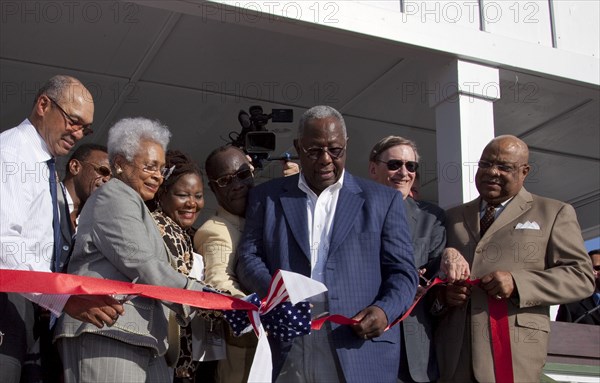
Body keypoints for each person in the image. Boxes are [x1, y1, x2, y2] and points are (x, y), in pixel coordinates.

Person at [236, 105, 418, 383]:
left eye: (335, 150)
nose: (325, 159)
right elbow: (248, 259)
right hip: (288, 341)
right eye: (313, 150)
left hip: (356, 345)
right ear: (298, 147)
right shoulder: (266, 197)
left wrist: (384, 310)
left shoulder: (383, 201)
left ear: (346, 146)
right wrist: (278, 294)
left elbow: (403, 273)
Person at [54, 117, 219, 382]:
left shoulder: (135, 204)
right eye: (150, 166)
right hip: (108, 333)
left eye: (162, 169)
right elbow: (143, 264)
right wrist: (208, 299)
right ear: (119, 164)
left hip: (143, 340)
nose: (157, 175)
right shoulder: (114, 196)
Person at [435, 135, 595, 382]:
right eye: (485, 164)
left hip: (514, 356)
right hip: (454, 358)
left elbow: (580, 276)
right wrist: (445, 297)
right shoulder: (451, 216)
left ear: (524, 171)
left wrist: (518, 283)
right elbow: (433, 277)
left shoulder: (553, 212)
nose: (492, 172)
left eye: (504, 167)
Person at [0, 75, 123, 383]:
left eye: (86, 128)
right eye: (73, 121)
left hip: (29, 310)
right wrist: (65, 299)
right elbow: (4, 244)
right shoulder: (12, 154)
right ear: (43, 105)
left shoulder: (42, 164)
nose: (79, 133)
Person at [368, 136, 446, 383]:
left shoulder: (432, 218)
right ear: (373, 168)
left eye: (411, 166)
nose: (404, 173)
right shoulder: (353, 211)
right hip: (364, 342)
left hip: (413, 353)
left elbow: (435, 278)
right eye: (394, 165)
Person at [147, 149, 222, 382]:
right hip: (165, 354)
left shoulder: (189, 234)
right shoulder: (161, 227)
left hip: (186, 359)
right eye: (182, 195)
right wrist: (233, 307)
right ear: (163, 193)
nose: (192, 203)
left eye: (198, 196)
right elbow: (182, 290)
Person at [194, 145, 257, 382]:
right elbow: (219, 281)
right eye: (225, 180)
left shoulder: (260, 218)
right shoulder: (215, 230)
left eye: (242, 175)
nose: (237, 185)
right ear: (213, 188)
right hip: (244, 360)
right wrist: (260, 313)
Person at [62, 143, 111, 228]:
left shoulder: (92, 223)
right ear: (75, 167)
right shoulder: (46, 198)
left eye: (111, 178)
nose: (107, 180)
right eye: (103, 171)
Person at [556, 249, 600, 325]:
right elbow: (561, 332)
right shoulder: (571, 302)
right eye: (590, 268)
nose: (594, 272)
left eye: (598, 268)